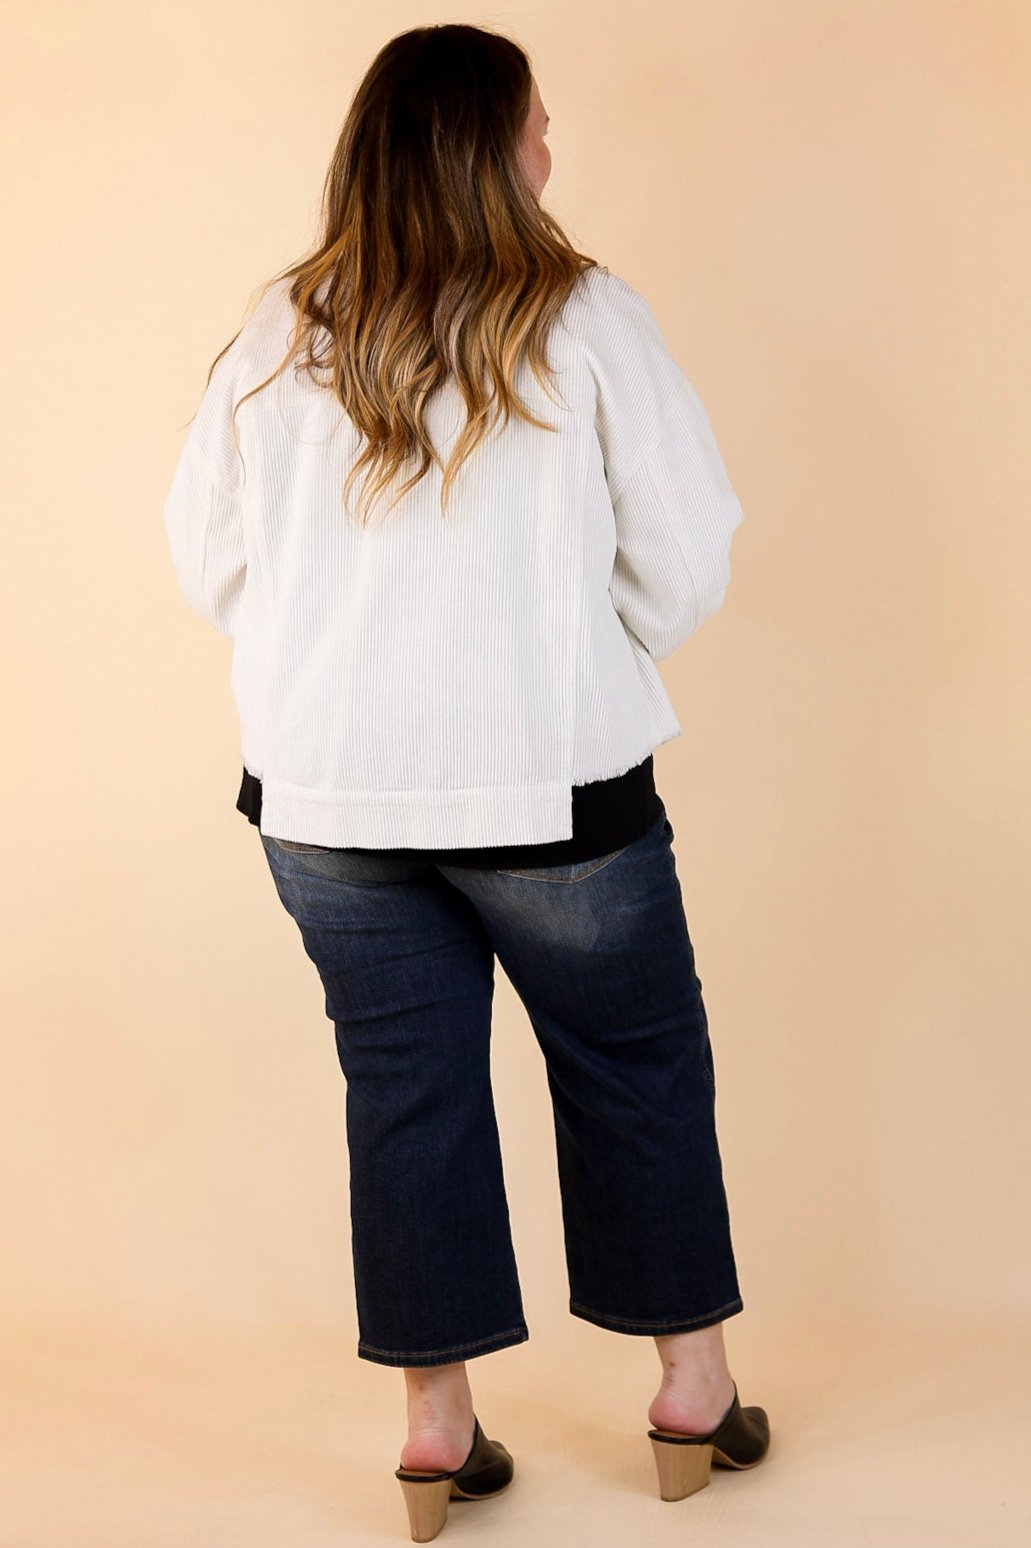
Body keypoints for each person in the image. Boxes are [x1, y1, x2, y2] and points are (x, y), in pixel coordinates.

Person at [162, 21, 770, 1541]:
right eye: (537, 126)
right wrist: (567, 654)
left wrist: (340, 668)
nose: (553, 148)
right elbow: (687, 556)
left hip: (321, 795)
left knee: (406, 1096)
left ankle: (437, 1437)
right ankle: (692, 1393)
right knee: (634, 1073)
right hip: (550, 784)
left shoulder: (278, 330)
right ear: (492, 150)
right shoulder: (587, 318)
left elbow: (212, 561)